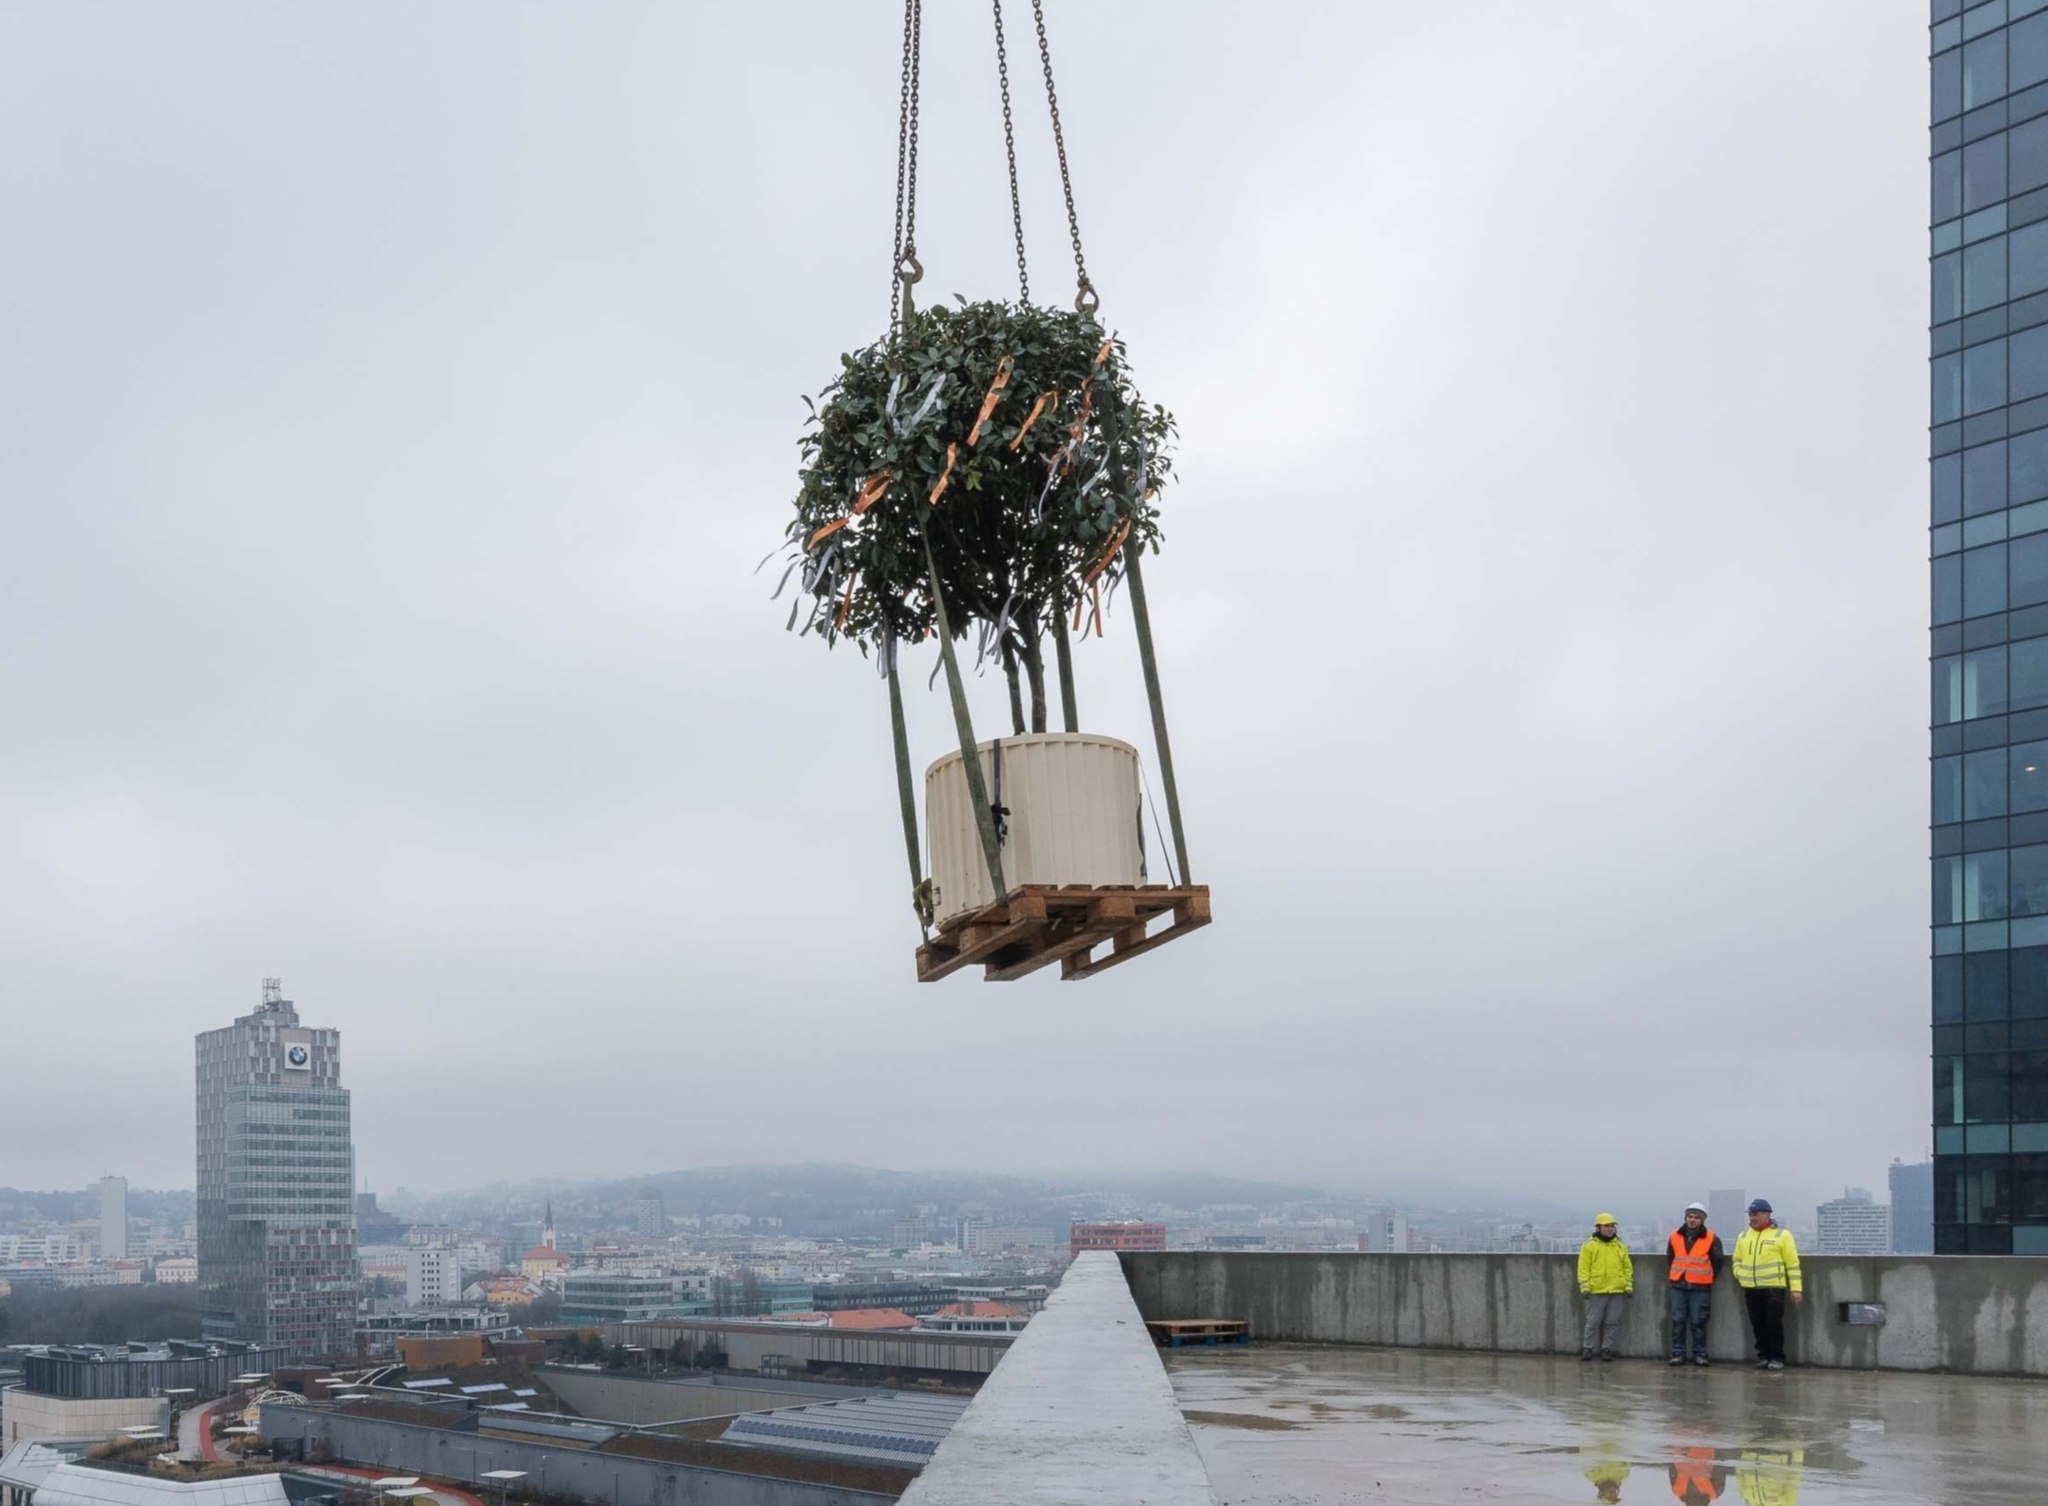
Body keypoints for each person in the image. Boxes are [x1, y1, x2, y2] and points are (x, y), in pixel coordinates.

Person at [1730, 1198, 1802, 1370]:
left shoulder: (1782, 1235)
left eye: (1756, 1214)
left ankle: (1777, 1357)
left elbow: (1792, 1263)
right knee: (1757, 1323)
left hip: (1773, 1287)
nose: (1752, 1218)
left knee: (1773, 1324)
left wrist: (1796, 1289)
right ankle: (1763, 1356)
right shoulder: (1743, 1236)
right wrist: (1740, 1274)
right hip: (1751, 1287)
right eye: (1750, 1215)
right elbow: (1736, 1260)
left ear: (1767, 1214)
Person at [1665, 1201, 1725, 1367]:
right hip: (1678, 1285)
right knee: (1678, 1321)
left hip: (1700, 1287)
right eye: (1690, 1216)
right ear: (1685, 1218)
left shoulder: (1712, 1238)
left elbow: (1718, 1261)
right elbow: (1670, 1258)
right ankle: (1678, 1353)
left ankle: (1700, 1354)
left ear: (1702, 1220)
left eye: (1696, 1217)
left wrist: (1709, 1277)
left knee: (1699, 1322)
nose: (1692, 1220)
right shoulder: (1674, 1236)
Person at [1577, 1212, 1633, 1361]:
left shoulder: (1621, 1246)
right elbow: (1583, 1267)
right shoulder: (1589, 1246)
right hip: (1597, 1289)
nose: (1609, 1229)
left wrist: (1628, 1285)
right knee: (1593, 1321)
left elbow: (1627, 1268)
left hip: (1617, 1290)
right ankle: (1587, 1348)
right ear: (1598, 1228)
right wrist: (1584, 1286)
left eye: (1611, 1226)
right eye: (1606, 1226)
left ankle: (1606, 1349)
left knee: (1612, 1322)